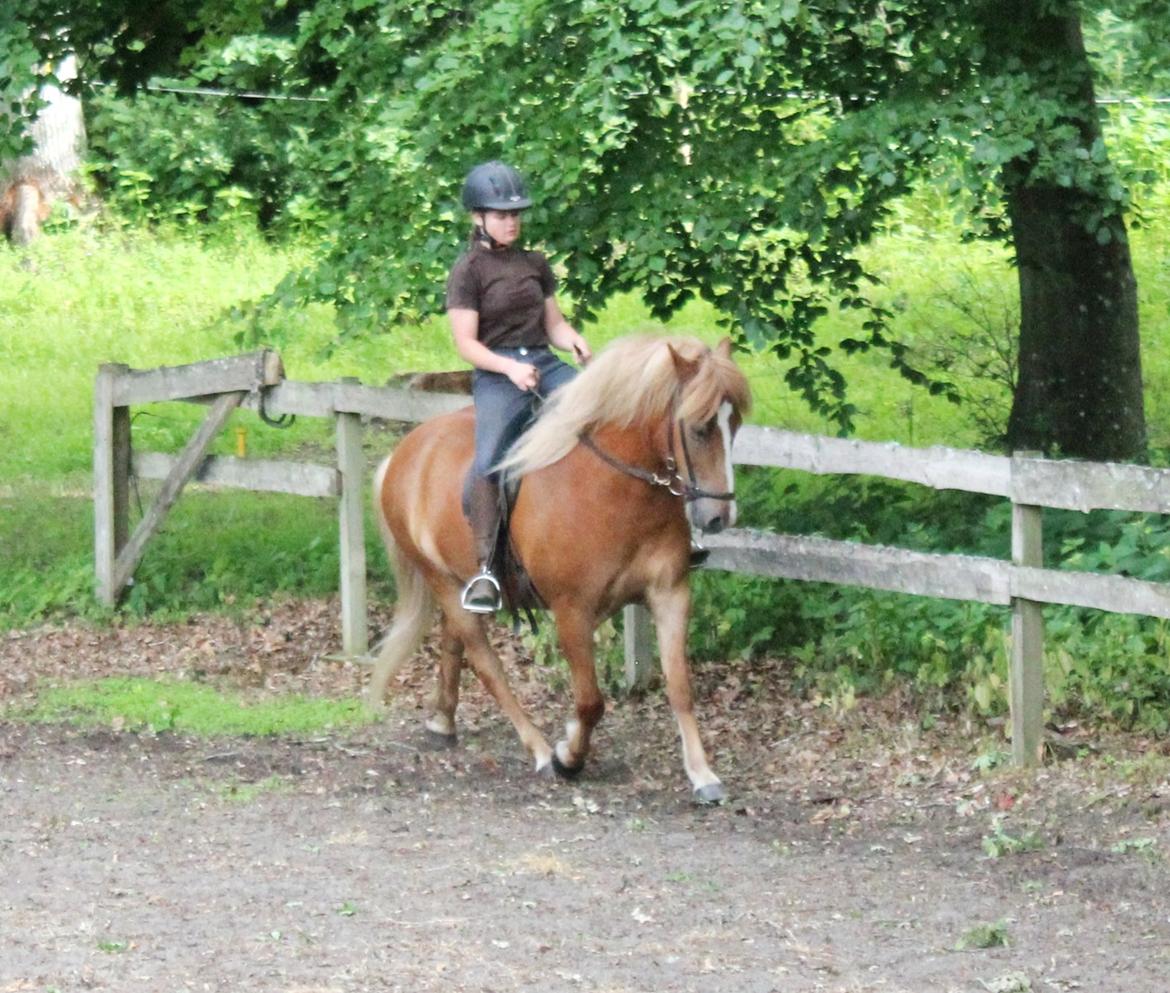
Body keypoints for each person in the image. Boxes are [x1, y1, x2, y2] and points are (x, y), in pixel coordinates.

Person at [446, 161, 592, 613]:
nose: (511, 221)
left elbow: (555, 325)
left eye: (515, 214)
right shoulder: (468, 270)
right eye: (501, 214)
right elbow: (466, 344)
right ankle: (487, 570)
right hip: (497, 375)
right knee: (489, 461)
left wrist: (575, 342)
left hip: (545, 363)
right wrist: (508, 370)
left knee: (603, 416)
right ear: (479, 218)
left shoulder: (535, 263)